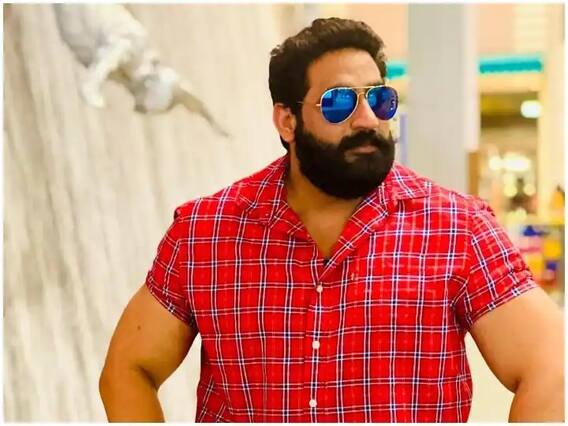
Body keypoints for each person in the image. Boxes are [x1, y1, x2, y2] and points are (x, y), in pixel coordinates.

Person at [99, 17, 564, 422]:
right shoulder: (207, 232)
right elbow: (129, 368)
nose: (366, 119)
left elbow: (550, 366)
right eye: (339, 103)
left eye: (380, 100)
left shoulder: (456, 229)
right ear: (287, 122)